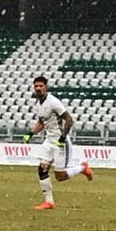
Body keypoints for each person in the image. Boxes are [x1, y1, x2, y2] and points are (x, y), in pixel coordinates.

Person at [23, 75, 92, 211]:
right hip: (49, 140)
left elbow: (69, 120)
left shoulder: (53, 102)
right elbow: (42, 122)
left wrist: (62, 138)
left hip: (60, 142)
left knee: (60, 176)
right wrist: (30, 133)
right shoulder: (38, 104)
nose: (38, 88)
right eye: (36, 86)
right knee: (42, 169)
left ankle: (82, 168)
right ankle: (49, 202)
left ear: (46, 87)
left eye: (41, 86)